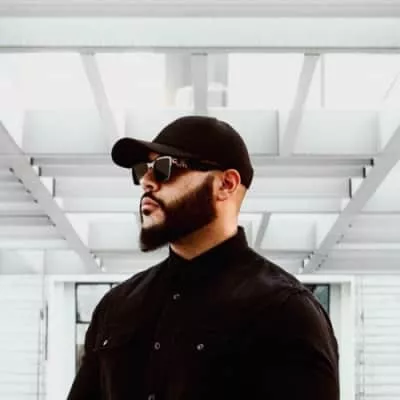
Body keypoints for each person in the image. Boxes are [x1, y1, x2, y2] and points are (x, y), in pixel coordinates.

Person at [67, 116, 339, 400]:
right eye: (142, 170)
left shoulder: (286, 311)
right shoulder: (115, 307)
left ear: (226, 184)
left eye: (165, 168)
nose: (146, 181)